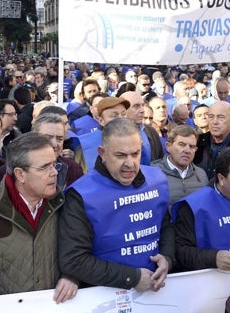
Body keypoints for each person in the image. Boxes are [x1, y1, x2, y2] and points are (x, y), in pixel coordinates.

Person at [59, 118, 174, 291]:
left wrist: (167, 257)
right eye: (120, 155)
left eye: (135, 154)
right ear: (102, 153)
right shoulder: (81, 195)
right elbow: (74, 260)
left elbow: (165, 227)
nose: (129, 163)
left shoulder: (156, 179)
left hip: (156, 289)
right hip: (104, 295)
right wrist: (131, 278)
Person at [0, 133, 78, 302]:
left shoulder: (64, 204)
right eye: (45, 167)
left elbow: (80, 252)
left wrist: (72, 276)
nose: (54, 173)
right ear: (20, 174)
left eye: (54, 165)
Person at [151, 125, 208, 207]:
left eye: (192, 146)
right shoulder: (153, 174)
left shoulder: (201, 175)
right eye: (182, 144)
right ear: (168, 147)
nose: (187, 150)